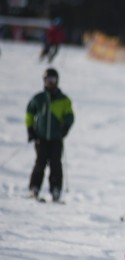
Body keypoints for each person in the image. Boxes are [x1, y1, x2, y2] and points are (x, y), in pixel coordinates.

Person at [26, 68, 74, 202]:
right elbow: (29, 113)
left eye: (53, 80)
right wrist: (30, 130)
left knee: (56, 165)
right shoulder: (39, 98)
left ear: (57, 81)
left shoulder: (64, 100)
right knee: (40, 163)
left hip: (56, 139)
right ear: (44, 81)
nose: (51, 83)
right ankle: (34, 188)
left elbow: (70, 116)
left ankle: (56, 190)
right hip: (41, 138)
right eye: (48, 80)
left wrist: (65, 128)